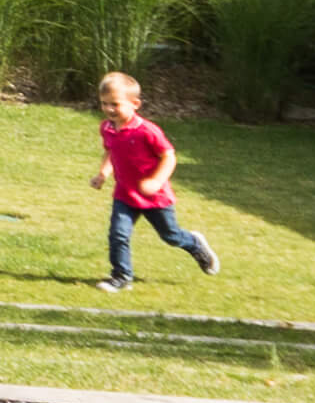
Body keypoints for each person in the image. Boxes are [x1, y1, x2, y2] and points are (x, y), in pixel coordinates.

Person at [91, 70, 220, 293]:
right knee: (118, 234)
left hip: (155, 197)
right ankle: (121, 276)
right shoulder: (108, 128)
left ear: (135, 103)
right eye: (104, 104)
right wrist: (103, 173)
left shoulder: (147, 131)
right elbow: (110, 152)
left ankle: (195, 244)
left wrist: (156, 181)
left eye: (115, 104)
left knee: (170, 236)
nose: (109, 109)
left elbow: (169, 156)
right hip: (125, 195)